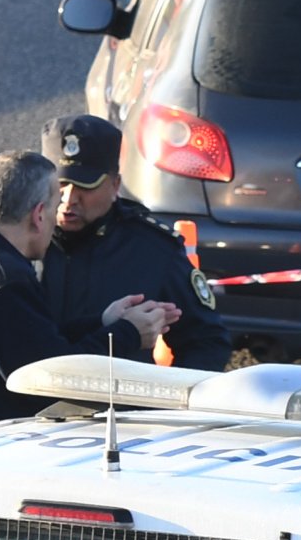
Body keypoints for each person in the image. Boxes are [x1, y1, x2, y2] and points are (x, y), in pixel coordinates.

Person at [0, 151, 170, 430]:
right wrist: (128, 334)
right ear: (38, 215)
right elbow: (52, 381)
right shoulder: (2, 279)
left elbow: (33, 344)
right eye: (54, 207)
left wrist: (103, 321)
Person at [39, 114, 230, 371]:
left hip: (120, 406)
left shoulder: (152, 249)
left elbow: (206, 342)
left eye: (85, 186)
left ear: (115, 185)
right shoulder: (17, 240)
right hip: (28, 406)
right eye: (61, 184)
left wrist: (169, 405)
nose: (69, 198)